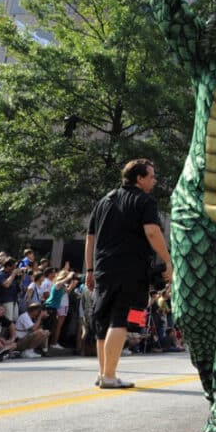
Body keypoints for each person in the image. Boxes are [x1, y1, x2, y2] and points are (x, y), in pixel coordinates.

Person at [84, 158, 172, 389]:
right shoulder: (144, 201)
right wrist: (168, 261)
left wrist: (90, 269)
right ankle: (110, 376)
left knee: (103, 320)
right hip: (130, 268)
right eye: (151, 176)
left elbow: (90, 238)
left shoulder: (104, 201)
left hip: (103, 267)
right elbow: (152, 232)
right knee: (121, 318)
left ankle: (104, 373)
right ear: (139, 178)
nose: (154, 181)